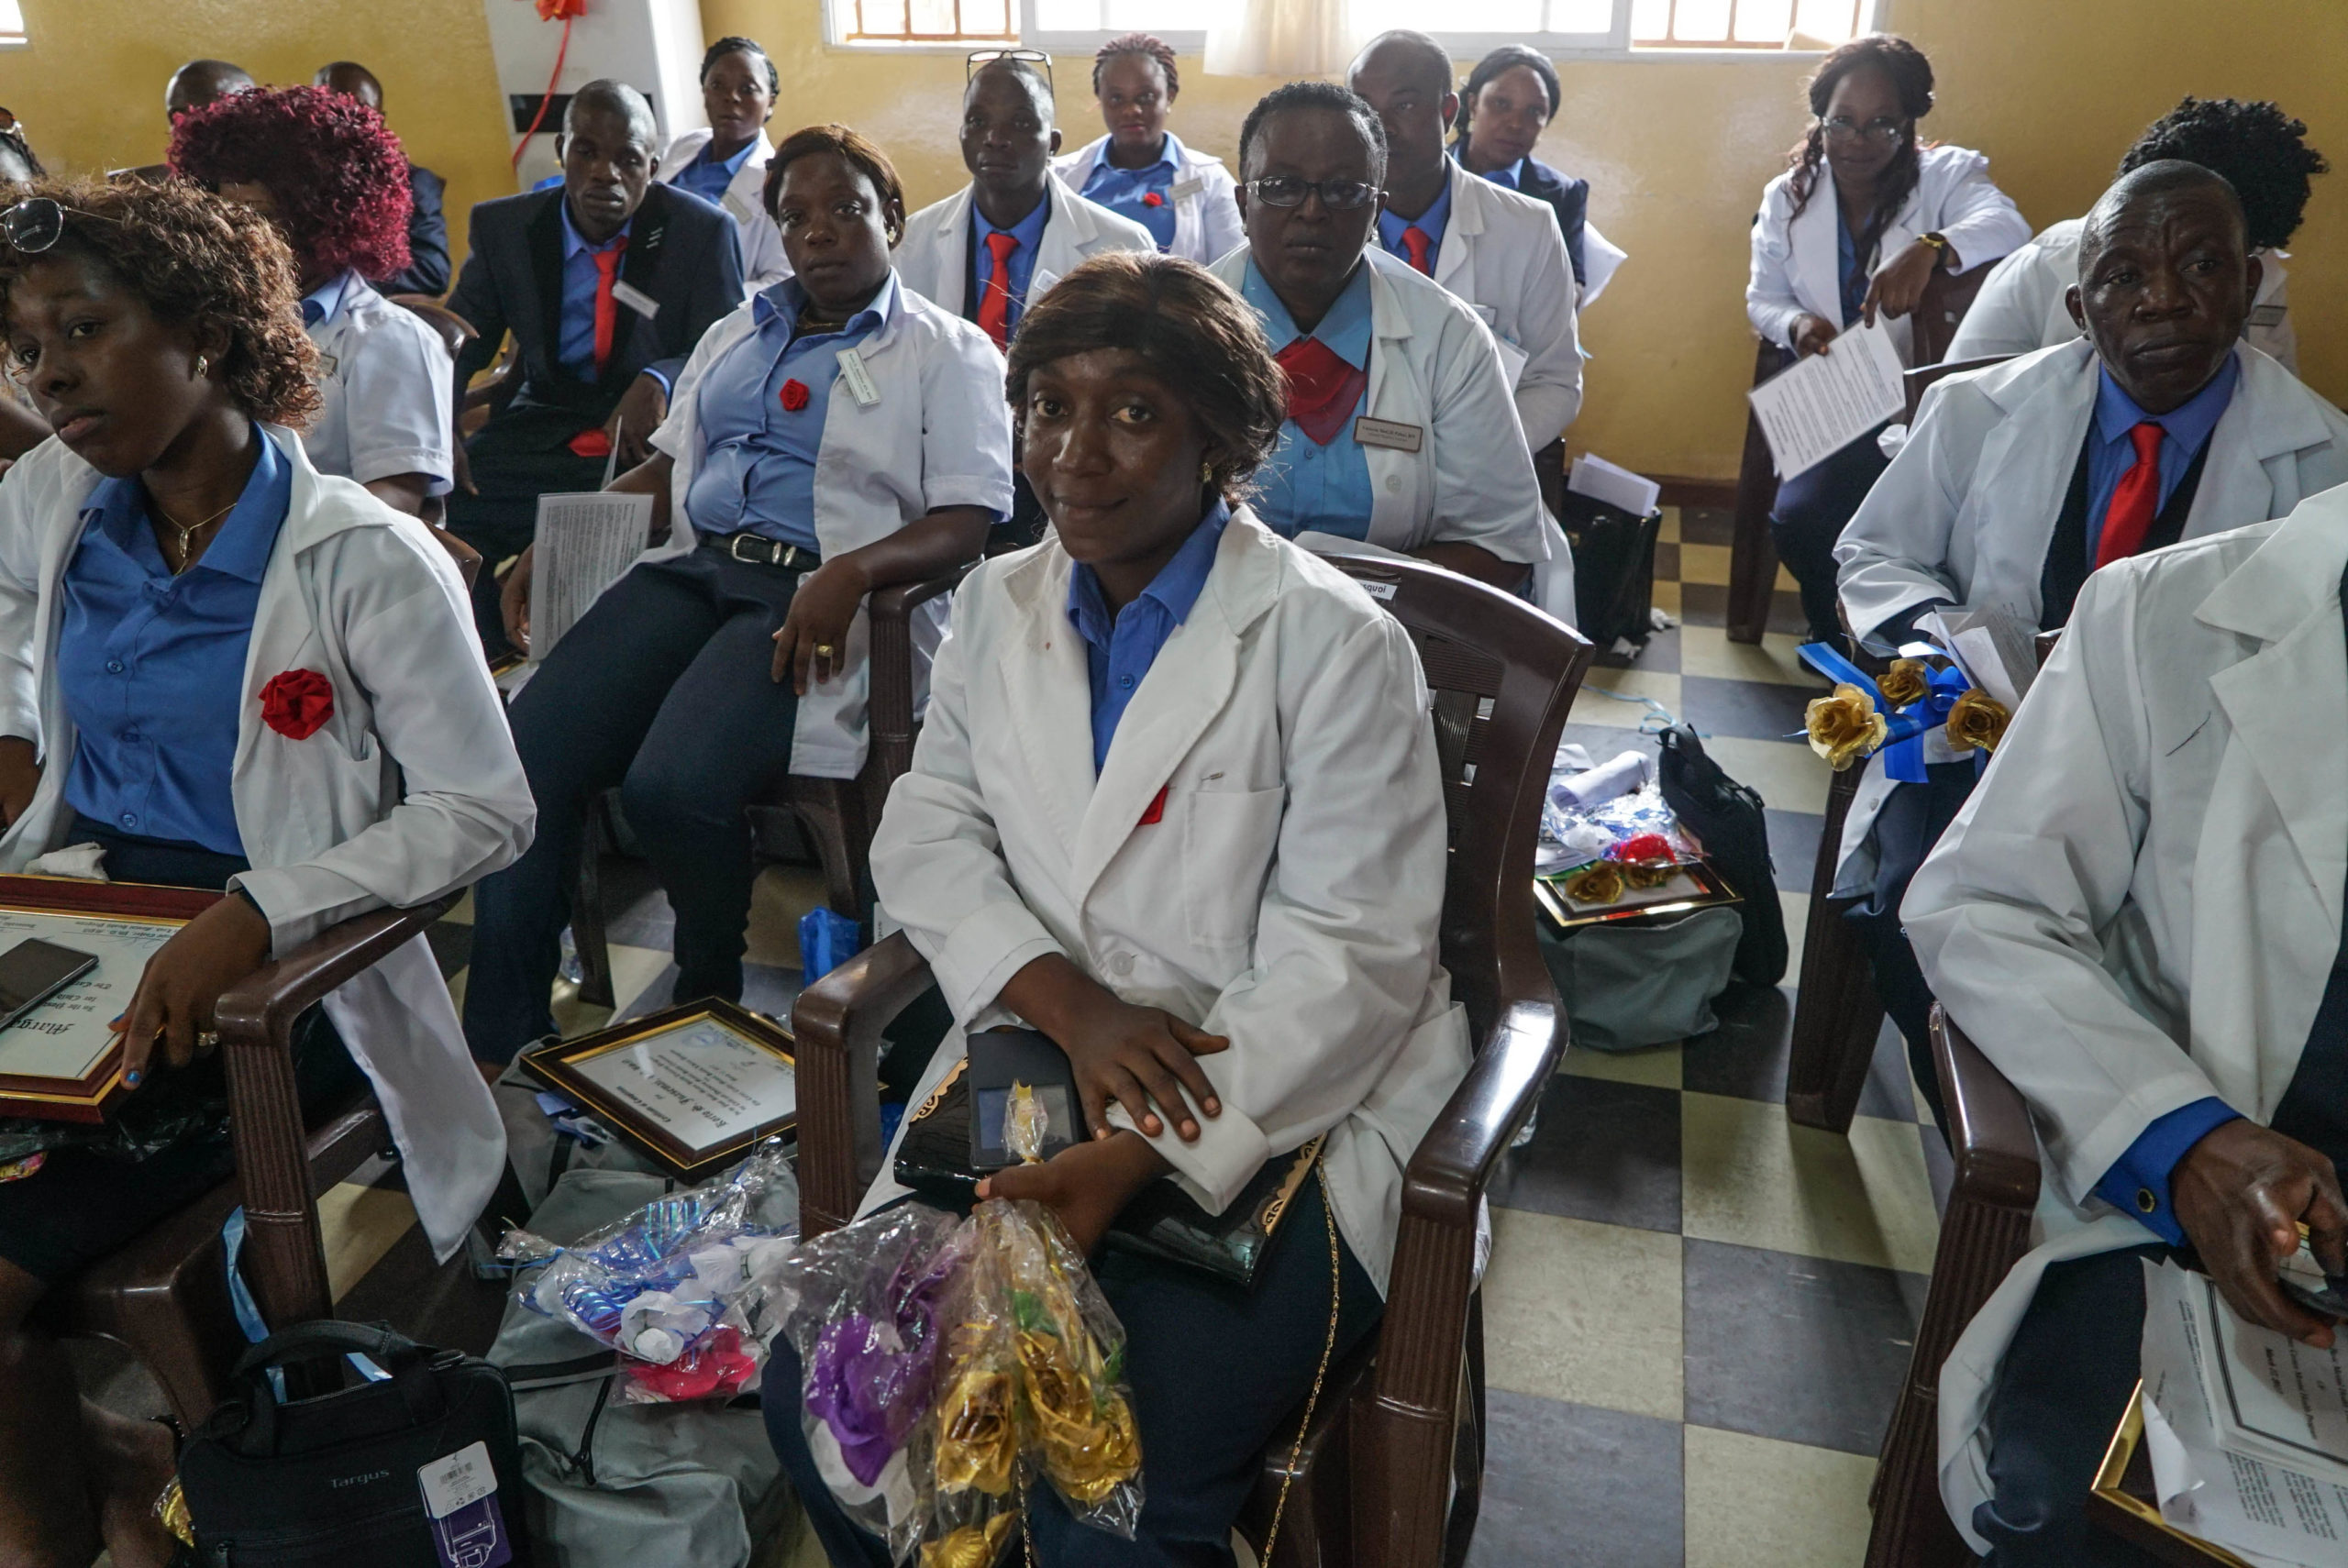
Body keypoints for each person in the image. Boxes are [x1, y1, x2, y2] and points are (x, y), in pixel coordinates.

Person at [766, 247, 1470, 1568]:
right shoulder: (998, 601)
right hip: (1040, 1057)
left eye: (1134, 411)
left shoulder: (1332, 643)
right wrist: (1069, 1004)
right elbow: (926, 830)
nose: (1075, 453)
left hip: (1284, 1101)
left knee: (1103, 1495)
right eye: (1049, 405)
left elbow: (1356, 958)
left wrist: (1135, 1151)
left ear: (1221, 438)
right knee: (830, 1396)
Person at [0, 177, 529, 1567]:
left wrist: (261, 907)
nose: (47, 370)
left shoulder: (361, 555)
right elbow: (17, 698)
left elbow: (488, 808)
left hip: (275, 984)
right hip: (85, 925)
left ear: (212, 337)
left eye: (85, 329)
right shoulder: (53, 502)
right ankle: (118, 1465)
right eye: (27, 342)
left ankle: (60, 1532)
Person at [460, 125, 1011, 1061]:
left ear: (893, 221)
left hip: (809, 593)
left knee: (673, 787)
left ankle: (706, 979)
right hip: (695, 566)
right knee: (523, 762)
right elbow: (669, 472)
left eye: (847, 210)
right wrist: (546, 553)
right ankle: (504, 1036)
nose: (821, 232)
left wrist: (850, 571)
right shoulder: (738, 329)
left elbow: (970, 517)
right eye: (796, 217)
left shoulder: (947, 352)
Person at [1829, 160, 2348, 1129]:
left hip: (2191, 794)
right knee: (1909, 907)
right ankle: (2011, 1158)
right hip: (1974, 748)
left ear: (2248, 286)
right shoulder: (1977, 410)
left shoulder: (2323, 465)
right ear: (2078, 305)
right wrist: (1943, 649)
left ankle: (2130, 1146)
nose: (2162, 301)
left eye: (2200, 266)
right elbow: (1874, 553)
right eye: (2122, 277)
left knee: (2196, 974)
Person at [1900, 488, 2348, 1568]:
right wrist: (2187, 1138)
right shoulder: (2162, 614)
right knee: (2086, 1536)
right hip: (2189, 1235)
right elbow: (1983, 905)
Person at [1208, 82, 1550, 596]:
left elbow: (1500, 550)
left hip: (1390, 633)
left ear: (1376, 211)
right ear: (1242, 203)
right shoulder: (1181, 330)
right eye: (1281, 186)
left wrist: (1340, 605)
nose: (1312, 211)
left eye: (1345, 191)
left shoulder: (1448, 338)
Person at [1745, 34, 2031, 646]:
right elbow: (1761, 298)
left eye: (1883, 126)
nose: (1857, 142)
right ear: (1820, 119)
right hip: (1836, 395)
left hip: (1923, 393)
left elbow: (2009, 226)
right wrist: (1794, 324)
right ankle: (1846, 640)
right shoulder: (1787, 196)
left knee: (1929, 523)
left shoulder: (1945, 177)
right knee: (1800, 521)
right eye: (1841, 122)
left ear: (1910, 123)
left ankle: (1907, 650)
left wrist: (1931, 248)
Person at [441, 81, 743, 658]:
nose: (605, 173)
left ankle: (579, 668)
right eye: (587, 152)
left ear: (652, 167)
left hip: (643, 439)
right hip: (543, 416)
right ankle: (486, 660)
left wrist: (658, 377)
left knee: (605, 542)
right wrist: (440, 430)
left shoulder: (699, 233)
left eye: (627, 158)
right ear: (562, 152)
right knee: (449, 515)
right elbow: (458, 343)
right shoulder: (508, 228)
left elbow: (723, 347)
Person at [170, 85, 456, 519]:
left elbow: (392, 505)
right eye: (226, 217)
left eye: (262, 216)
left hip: (324, 565)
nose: (239, 237)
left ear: (325, 221)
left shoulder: (386, 338)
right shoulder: (207, 323)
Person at [1947, 97, 2327, 372]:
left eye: (2206, 263)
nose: (2163, 299)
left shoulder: (2259, 262)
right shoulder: (2067, 262)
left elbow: (2278, 385)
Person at [1346, 30, 1583, 451]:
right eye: (1364, 109)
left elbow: (1555, 379)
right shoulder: (1325, 222)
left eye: (1404, 105)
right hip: (1354, 473)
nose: (1381, 130)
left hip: (1483, 475)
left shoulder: (1529, 227)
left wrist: (1484, 459)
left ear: (1449, 112)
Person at [894, 55, 1157, 350]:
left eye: (1021, 123)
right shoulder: (913, 242)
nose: (995, 138)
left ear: (1053, 145)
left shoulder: (1123, 245)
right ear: (962, 136)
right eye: (978, 121)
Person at [1450, 45, 1628, 306]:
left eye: (1534, 112)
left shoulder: (1563, 194)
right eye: (1501, 104)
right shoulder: (1423, 174)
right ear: (1473, 104)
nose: (1516, 124)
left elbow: (1573, 288)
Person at [1051, 34, 1244, 265]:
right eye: (1116, 98)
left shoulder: (1209, 179)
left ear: (1169, 96)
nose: (1132, 109)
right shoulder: (1061, 177)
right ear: (1100, 99)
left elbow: (1233, 265)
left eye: (1146, 97)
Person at [659, 37, 791, 293]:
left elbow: (783, 280)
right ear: (704, 93)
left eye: (748, 88)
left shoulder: (778, 182)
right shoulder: (685, 146)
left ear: (770, 103)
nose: (731, 97)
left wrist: (713, 299)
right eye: (717, 85)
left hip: (713, 315)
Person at [314, 61, 453, 300]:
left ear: (379, 119)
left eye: (359, 110)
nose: (343, 121)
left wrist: (344, 282)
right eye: (331, 109)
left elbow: (432, 272)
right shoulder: (298, 180)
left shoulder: (414, 182)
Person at [110, 61, 255, 185]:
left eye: (209, 113)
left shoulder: (269, 192)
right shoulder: (132, 187)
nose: (189, 123)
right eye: (179, 113)